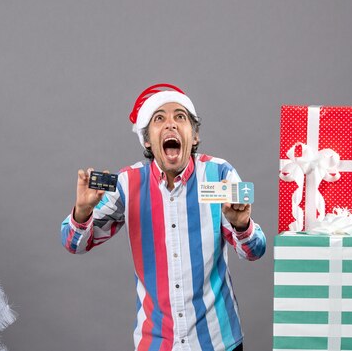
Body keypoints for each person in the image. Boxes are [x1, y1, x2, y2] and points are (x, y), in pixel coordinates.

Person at [61, 84, 266, 351]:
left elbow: (255, 250)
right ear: (147, 140)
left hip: (218, 342)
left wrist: (242, 225)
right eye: (159, 118)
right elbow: (73, 243)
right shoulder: (126, 182)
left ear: (194, 137)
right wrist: (83, 211)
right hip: (156, 343)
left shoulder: (220, 173)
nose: (171, 124)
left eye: (180, 117)